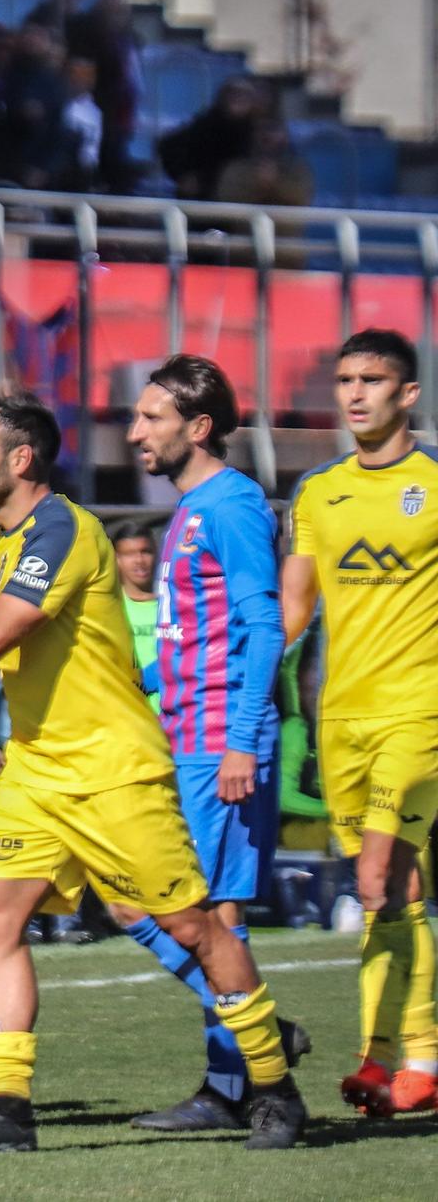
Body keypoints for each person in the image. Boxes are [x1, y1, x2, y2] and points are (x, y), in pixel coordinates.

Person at [0, 389, 305, 1151]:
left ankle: (275, 1089)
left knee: (192, 924)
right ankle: (8, 1109)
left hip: (111, 770)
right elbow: (9, 641)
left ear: (19, 458)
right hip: (38, 770)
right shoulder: (4, 541)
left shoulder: (62, 527)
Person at [122, 353, 304, 1130]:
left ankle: (249, 1074)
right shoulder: (192, 508)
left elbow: (265, 631)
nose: (135, 433)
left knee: (199, 914)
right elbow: (190, 641)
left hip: (217, 745)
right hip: (182, 736)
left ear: (197, 428)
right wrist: (133, 691)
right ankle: (240, 1066)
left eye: (149, 418)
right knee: (156, 902)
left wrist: (237, 745)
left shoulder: (230, 507)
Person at [281, 327, 438, 1117]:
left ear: (408, 393)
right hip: (340, 715)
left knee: (379, 878)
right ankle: (387, 1060)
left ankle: (420, 1053)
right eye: (345, 378)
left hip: (421, 711)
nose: (354, 392)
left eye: (372, 379)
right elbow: (294, 608)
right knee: (391, 890)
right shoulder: (317, 490)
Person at [114, 522, 162, 707]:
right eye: (129, 554)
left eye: (145, 551)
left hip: (172, 722)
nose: (139, 560)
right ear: (116, 558)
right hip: (129, 719)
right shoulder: (111, 608)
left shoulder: (173, 606)